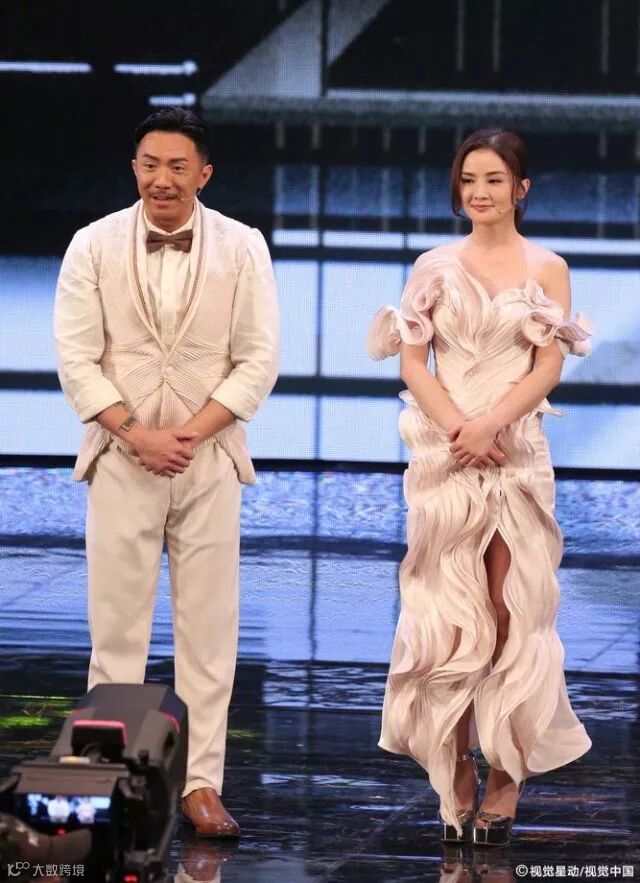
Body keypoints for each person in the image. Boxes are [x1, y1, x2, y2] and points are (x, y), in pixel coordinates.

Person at [54, 108, 279, 837]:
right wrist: (137, 435)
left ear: (203, 173)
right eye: (150, 164)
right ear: (134, 168)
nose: (162, 178)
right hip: (121, 458)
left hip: (208, 460)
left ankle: (201, 784)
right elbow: (77, 358)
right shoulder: (92, 244)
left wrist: (187, 434)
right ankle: (106, 781)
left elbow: (257, 359)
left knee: (208, 631)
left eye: (178, 166)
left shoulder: (243, 246)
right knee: (116, 630)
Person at [367, 129, 592, 846]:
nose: (480, 192)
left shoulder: (548, 267)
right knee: (449, 612)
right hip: (445, 456)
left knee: (508, 610)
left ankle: (506, 776)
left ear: (521, 189)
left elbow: (547, 366)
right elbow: (413, 362)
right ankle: (454, 765)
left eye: (494, 179)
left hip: (515, 452)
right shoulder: (432, 265)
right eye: (469, 179)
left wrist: (491, 424)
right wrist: (459, 430)